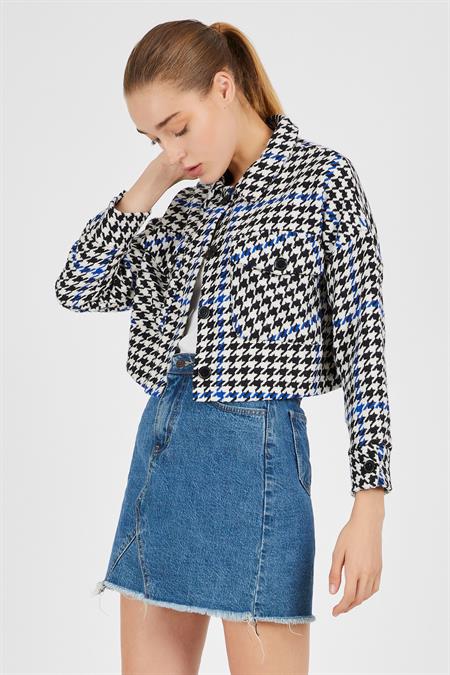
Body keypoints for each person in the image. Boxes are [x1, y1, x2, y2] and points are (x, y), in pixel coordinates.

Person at [55, 18, 393, 675]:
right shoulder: (186, 208)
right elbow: (78, 285)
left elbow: (364, 346)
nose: (173, 150)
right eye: (154, 138)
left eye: (178, 127)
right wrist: (153, 182)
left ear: (223, 87)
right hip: (164, 447)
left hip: (258, 461)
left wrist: (369, 503)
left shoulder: (322, 182)